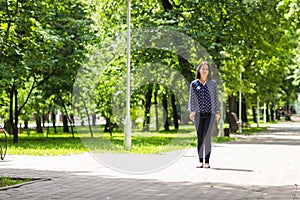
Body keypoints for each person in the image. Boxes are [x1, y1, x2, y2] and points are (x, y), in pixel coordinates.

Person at [188, 61, 220, 168]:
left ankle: (207, 162)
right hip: (198, 114)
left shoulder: (213, 84)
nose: (204, 71)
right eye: (202, 69)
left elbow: (216, 99)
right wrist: (191, 111)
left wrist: (217, 112)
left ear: (209, 71)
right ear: (199, 70)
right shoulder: (194, 84)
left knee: (207, 137)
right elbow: (191, 99)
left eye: (206, 69)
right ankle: (200, 161)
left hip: (210, 114)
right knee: (200, 137)